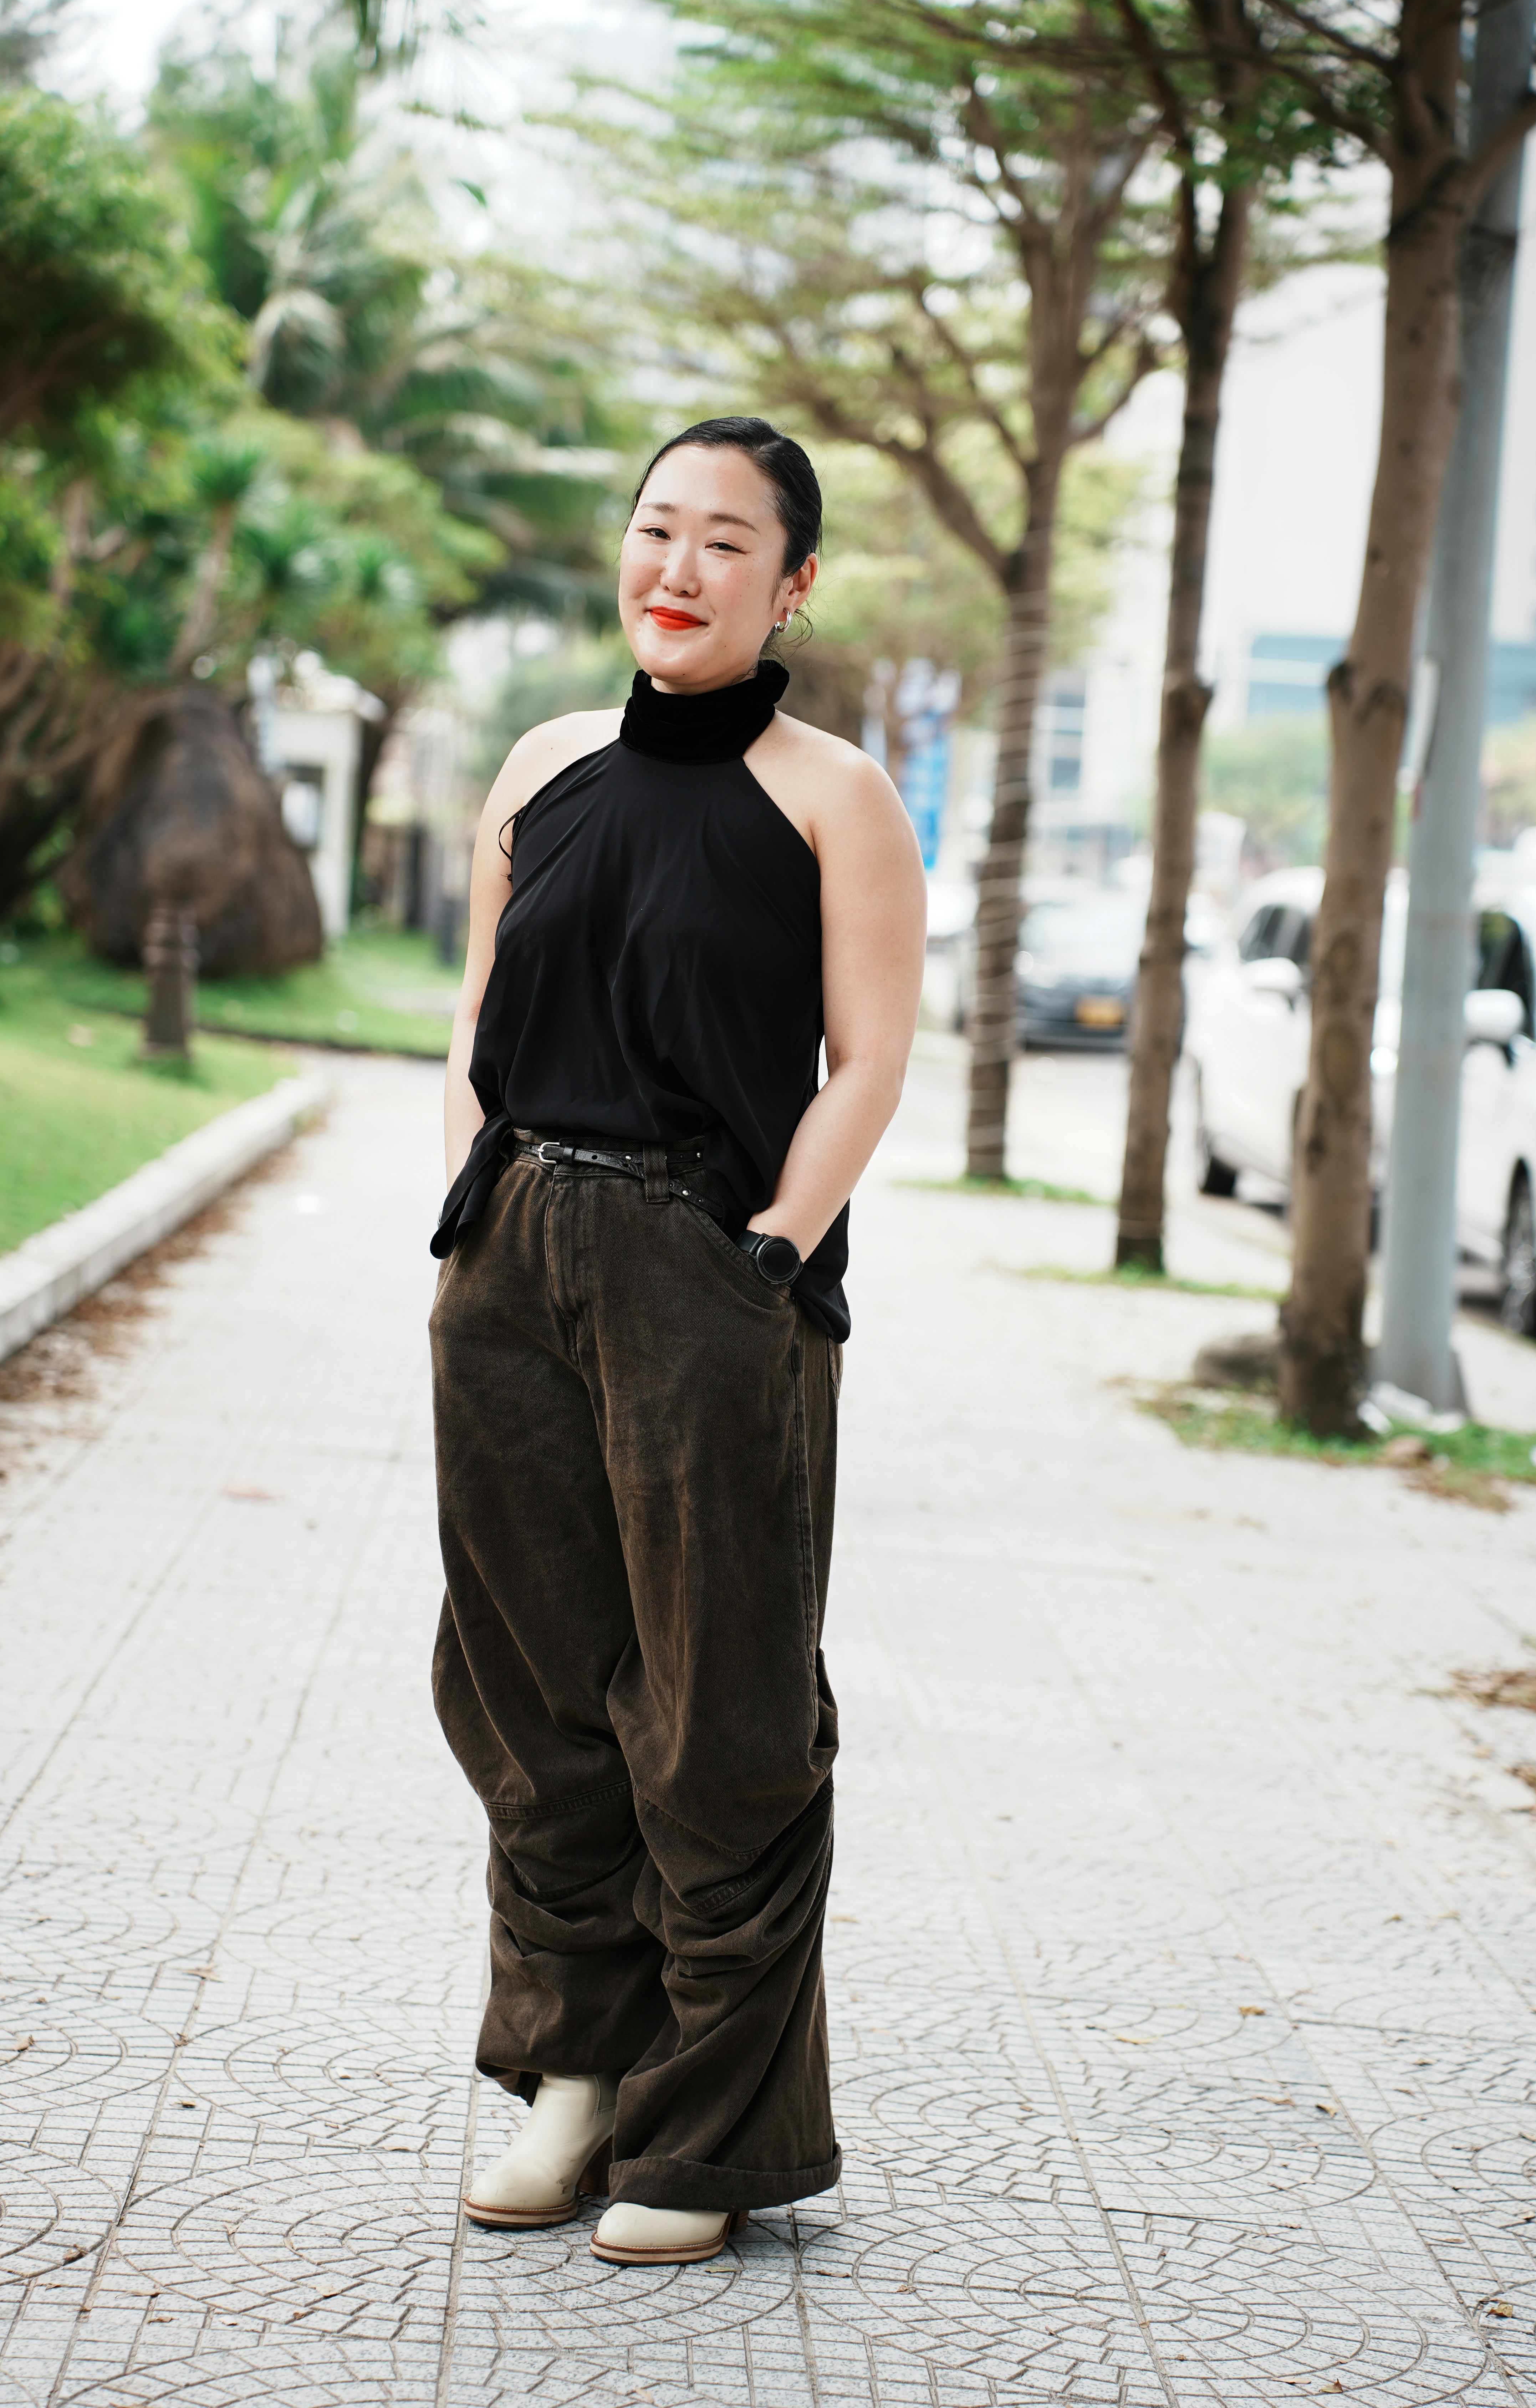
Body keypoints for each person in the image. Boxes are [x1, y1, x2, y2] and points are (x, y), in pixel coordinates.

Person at [428, 415, 926, 2267]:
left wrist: (770, 1253)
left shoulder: (829, 795)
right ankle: (574, 2078)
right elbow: (478, 1017)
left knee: (717, 1712)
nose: (681, 565)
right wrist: (469, 1211)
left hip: (713, 1268)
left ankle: (699, 2134)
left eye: (729, 541)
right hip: (513, 1269)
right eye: (657, 527)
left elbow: (870, 1056)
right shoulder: (544, 766)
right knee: (532, 1693)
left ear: (793, 583)